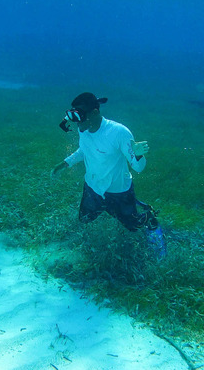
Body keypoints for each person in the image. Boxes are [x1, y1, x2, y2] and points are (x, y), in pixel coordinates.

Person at [51, 92, 167, 259]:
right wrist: (64, 164)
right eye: (75, 117)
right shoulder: (84, 128)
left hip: (119, 191)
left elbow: (138, 167)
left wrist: (138, 154)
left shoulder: (119, 132)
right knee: (84, 220)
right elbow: (84, 150)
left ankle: (148, 215)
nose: (78, 123)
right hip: (92, 187)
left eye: (81, 117)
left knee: (134, 227)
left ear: (95, 112)